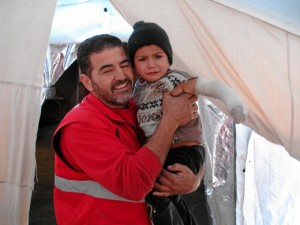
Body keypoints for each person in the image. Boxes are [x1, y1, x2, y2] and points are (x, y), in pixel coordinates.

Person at [51, 34, 202, 225]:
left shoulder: (136, 105)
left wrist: (194, 177)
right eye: (107, 70)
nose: (121, 76)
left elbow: (187, 141)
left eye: (124, 65)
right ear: (87, 82)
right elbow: (134, 184)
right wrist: (170, 120)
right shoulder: (79, 126)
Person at [128, 21, 248, 225]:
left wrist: (234, 103)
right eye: (142, 59)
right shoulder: (136, 90)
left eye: (158, 56)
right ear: (134, 65)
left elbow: (211, 86)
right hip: (159, 151)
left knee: (158, 190)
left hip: (186, 149)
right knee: (161, 192)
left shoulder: (178, 81)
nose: (151, 64)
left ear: (168, 59)